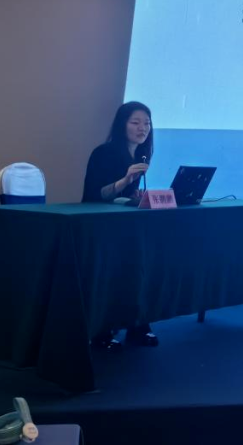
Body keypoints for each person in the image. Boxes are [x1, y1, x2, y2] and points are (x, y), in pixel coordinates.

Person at [82, 101, 159, 349]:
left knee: (142, 266)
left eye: (147, 123)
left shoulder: (141, 154)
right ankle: (102, 330)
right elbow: (96, 194)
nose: (142, 128)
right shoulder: (103, 153)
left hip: (125, 226)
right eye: (135, 122)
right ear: (121, 125)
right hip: (100, 226)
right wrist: (125, 180)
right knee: (113, 273)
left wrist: (135, 195)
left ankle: (137, 324)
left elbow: (123, 196)